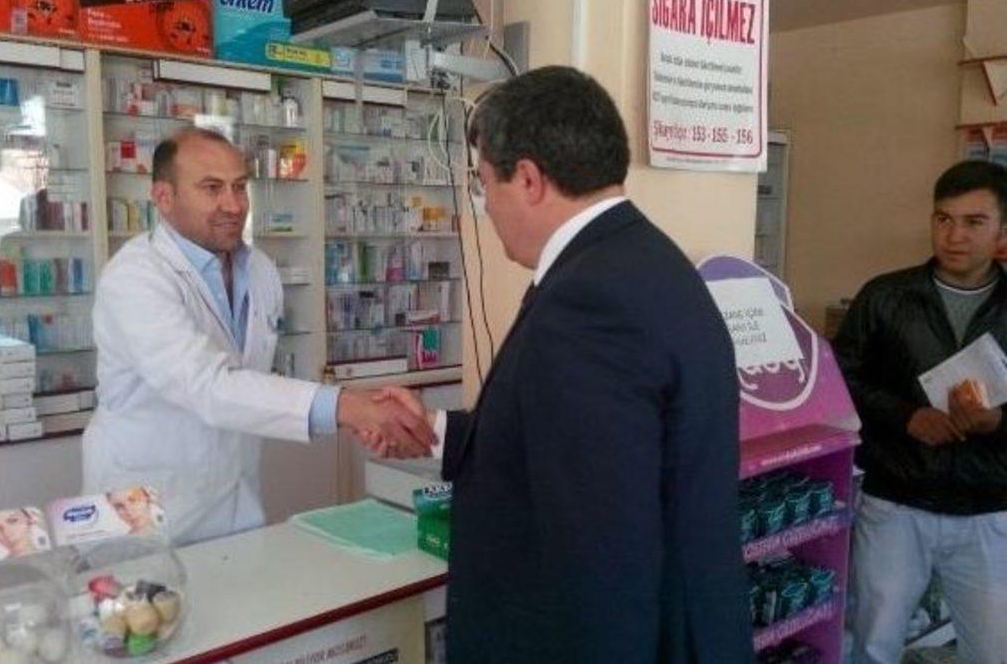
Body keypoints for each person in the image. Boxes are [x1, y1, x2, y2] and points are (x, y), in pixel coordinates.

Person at [381, 66, 753, 662]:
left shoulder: (589, 304)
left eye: (484, 184)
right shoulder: (639, 261)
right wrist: (437, 431)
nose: (486, 206)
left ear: (528, 179)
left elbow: (603, 559)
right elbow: (571, 449)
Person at [82, 127, 435, 546]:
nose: (233, 205)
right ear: (164, 197)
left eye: (239, 187)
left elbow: (251, 386)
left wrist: (360, 416)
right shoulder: (135, 278)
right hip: (144, 510)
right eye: (212, 188)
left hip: (233, 502)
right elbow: (207, 385)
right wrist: (347, 408)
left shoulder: (260, 270)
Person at [834, 159, 1007, 664]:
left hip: (988, 509)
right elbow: (841, 379)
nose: (954, 236)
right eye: (943, 219)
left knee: (993, 650)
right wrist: (905, 415)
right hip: (896, 502)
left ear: (1002, 231)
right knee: (873, 644)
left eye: (974, 222)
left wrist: (997, 421)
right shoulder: (884, 296)